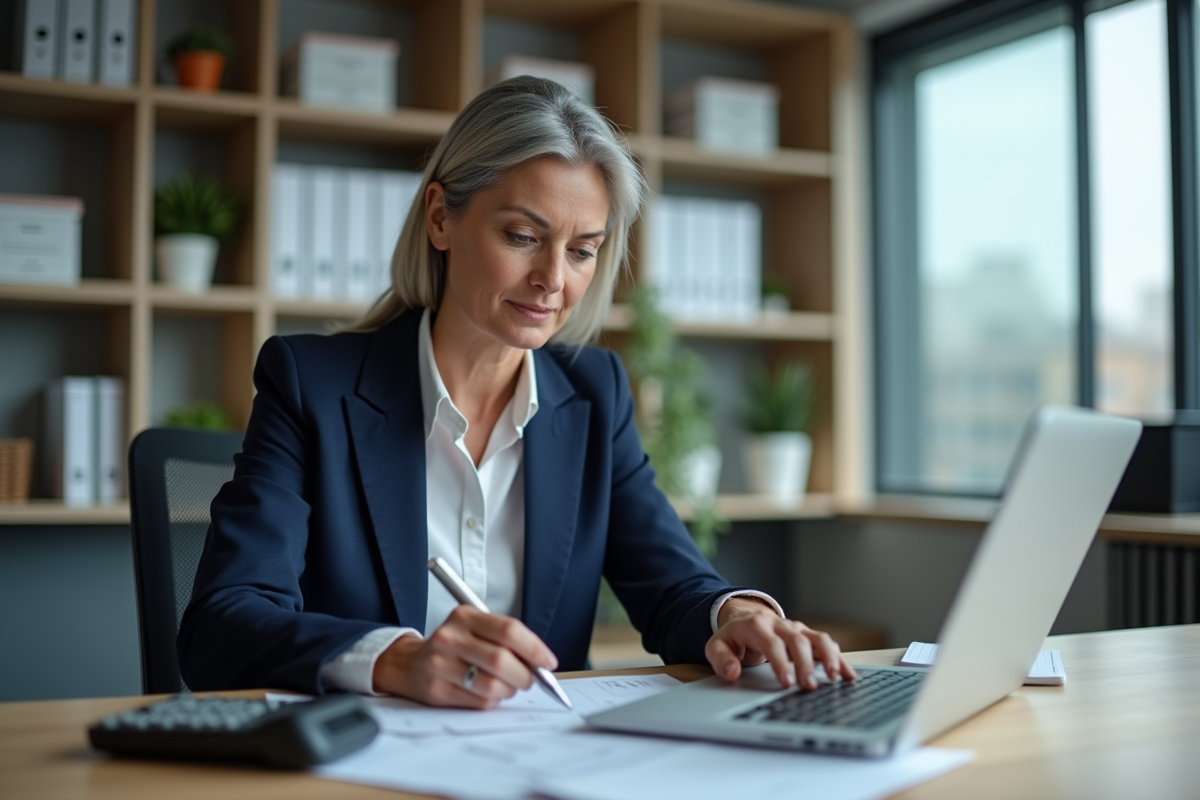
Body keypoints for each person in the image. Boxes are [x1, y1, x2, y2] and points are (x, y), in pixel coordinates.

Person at [178, 76, 857, 708]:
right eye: (524, 236)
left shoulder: (595, 395)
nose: (553, 280)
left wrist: (735, 614)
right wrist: (395, 659)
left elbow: (673, 584)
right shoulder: (311, 385)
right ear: (441, 218)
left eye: (583, 249)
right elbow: (223, 622)